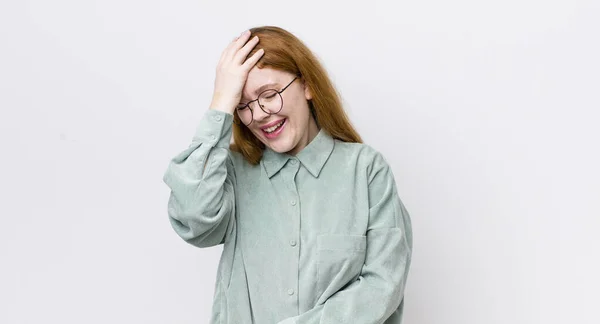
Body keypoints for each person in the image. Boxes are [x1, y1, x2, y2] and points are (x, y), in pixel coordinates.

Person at [162, 25, 413, 324]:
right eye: (243, 105)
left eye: (269, 94)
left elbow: (383, 285)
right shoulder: (228, 173)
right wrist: (221, 102)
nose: (259, 114)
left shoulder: (366, 170)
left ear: (307, 85)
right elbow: (192, 219)